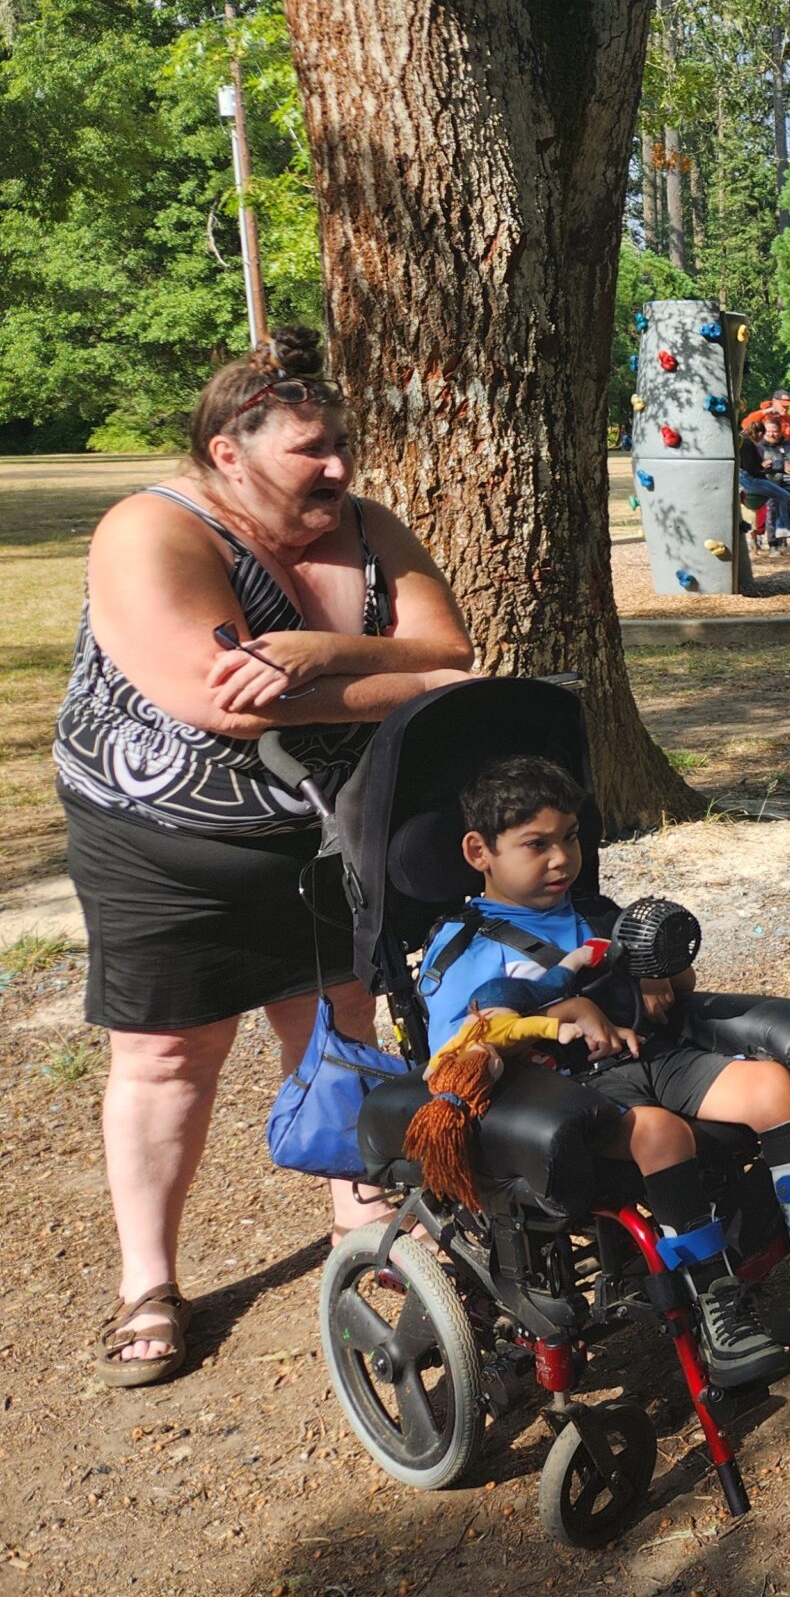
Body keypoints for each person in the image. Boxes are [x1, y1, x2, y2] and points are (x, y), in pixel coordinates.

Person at [55, 331, 477, 1386]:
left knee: (339, 1026)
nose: (338, 468)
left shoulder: (369, 529)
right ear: (228, 454)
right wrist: (409, 682)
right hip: (167, 849)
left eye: (341, 444)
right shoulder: (152, 530)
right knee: (166, 1059)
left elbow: (453, 651)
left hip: (328, 828)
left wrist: (327, 652)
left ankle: (363, 1226)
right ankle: (147, 1282)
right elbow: (219, 701)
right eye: (308, 451)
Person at [420, 754, 790, 1386]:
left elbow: (674, 983)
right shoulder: (464, 946)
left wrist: (657, 969)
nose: (560, 859)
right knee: (663, 1133)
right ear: (479, 851)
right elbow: (462, 1049)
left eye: (571, 838)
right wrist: (563, 1009)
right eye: (536, 845)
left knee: (768, 1085)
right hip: (564, 1096)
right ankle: (718, 1307)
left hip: (647, 1059)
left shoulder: (598, 913)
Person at [738, 415, 790, 552]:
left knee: (783, 496)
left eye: (775, 431)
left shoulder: (750, 442)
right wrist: (774, 466)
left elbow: (755, 466)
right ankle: (778, 535)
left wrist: (768, 466)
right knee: (779, 498)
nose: (771, 435)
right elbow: (752, 468)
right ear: (761, 433)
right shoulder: (751, 444)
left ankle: (783, 529)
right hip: (751, 481)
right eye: (767, 433)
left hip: (757, 478)